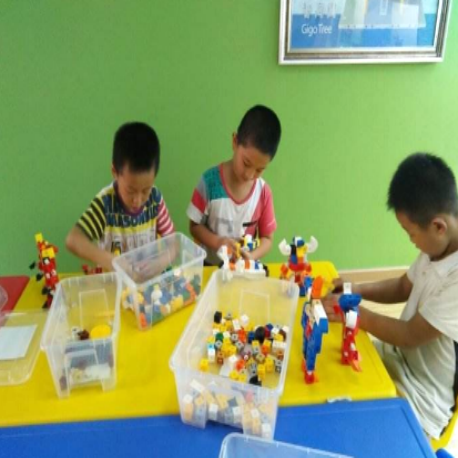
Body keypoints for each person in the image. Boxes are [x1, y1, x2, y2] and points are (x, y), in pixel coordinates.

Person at [324, 152, 458, 439]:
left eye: (410, 233)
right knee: (332, 381)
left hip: (422, 401)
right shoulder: (438, 247)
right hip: (394, 361)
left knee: (350, 430)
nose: (411, 241)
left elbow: (409, 334)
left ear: (438, 226)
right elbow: (402, 286)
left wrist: (353, 313)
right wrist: (357, 289)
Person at [66, 122, 174, 271]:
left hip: (146, 282)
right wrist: (110, 261)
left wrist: (160, 263)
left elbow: (174, 243)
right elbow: (73, 239)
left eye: (145, 190)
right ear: (115, 172)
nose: (138, 200)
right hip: (113, 281)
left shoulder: (155, 199)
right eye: (130, 190)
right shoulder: (105, 205)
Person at [187, 105, 281, 265]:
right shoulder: (209, 182)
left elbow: (267, 238)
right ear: (235, 142)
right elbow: (194, 226)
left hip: (242, 270)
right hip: (209, 267)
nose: (249, 175)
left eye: (259, 170)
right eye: (246, 163)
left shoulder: (263, 193)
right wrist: (218, 242)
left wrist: (251, 256)